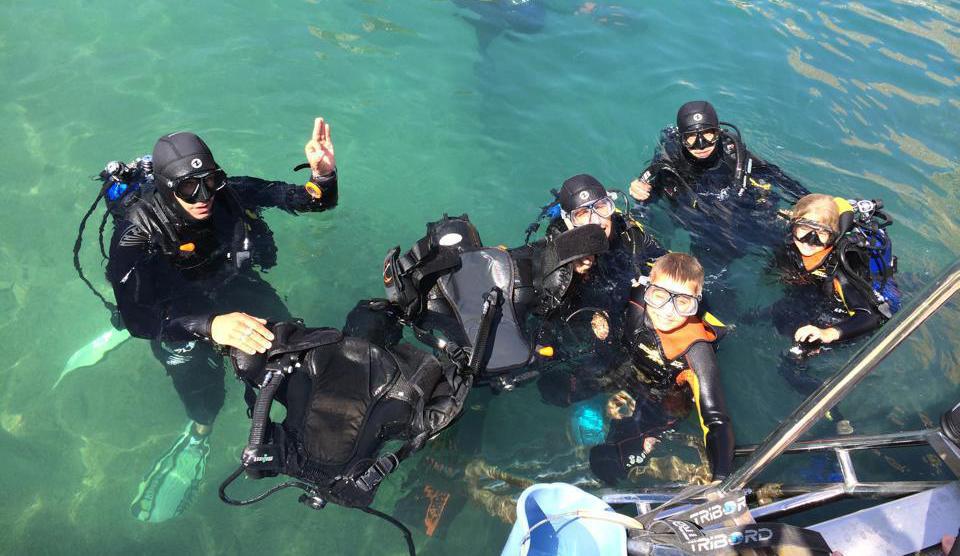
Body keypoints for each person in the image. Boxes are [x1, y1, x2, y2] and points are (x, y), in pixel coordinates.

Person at [106, 118, 338, 522]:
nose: (203, 196)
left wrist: (324, 174)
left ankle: (307, 435)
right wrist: (210, 325)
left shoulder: (229, 193)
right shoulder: (135, 233)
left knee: (288, 352)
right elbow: (138, 317)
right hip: (175, 309)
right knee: (205, 395)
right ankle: (198, 437)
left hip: (230, 285)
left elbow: (311, 200)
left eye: (209, 181)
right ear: (164, 187)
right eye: (187, 188)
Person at [765, 193, 900, 434]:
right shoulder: (791, 245)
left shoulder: (842, 269)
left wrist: (827, 333)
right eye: (803, 229)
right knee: (774, 315)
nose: (809, 240)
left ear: (835, 236)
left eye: (821, 233)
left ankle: (836, 414)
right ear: (792, 225)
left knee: (789, 364)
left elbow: (871, 316)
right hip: (818, 294)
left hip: (846, 318)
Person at [534, 174, 667, 405]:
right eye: (583, 214)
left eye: (601, 207)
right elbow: (543, 306)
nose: (596, 220)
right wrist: (568, 274)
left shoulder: (629, 235)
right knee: (554, 390)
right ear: (568, 221)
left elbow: (666, 262)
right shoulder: (557, 250)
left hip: (622, 312)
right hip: (580, 327)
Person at [628, 100, 809, 271]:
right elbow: (653, 191)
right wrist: (641, 192)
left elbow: (774, 175)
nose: (701, 145)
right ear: (681, 138)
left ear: (719, 132)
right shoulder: (671, 159)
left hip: (741, 213)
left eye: (708, 134)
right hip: (702, 228)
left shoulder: (732, 153)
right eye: (691, 138)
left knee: (790, 252)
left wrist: (808, 201)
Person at [621, 252, 735, 480]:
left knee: (617, 462)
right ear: (647, 289)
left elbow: (717, 421)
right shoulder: (637, 301)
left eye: (683, 302)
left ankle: (656, 438)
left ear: (696, 302)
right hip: (629, 376)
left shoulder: (696, 351)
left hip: (666, 401)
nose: (667, 310)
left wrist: (720, 480)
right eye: (659, 295)